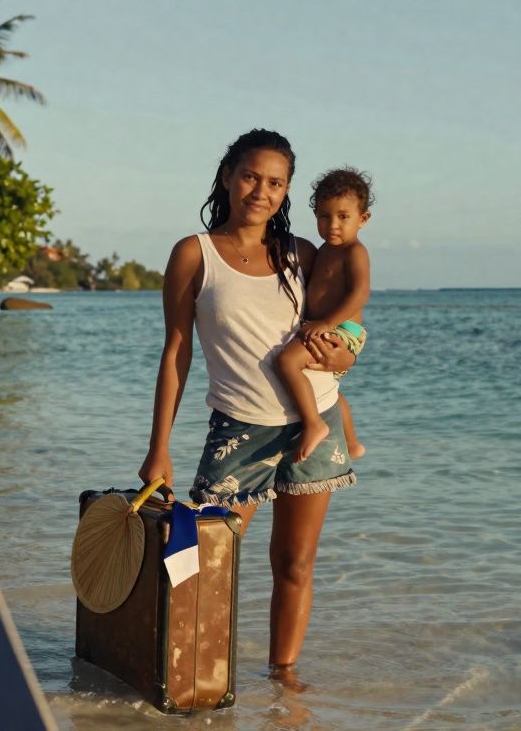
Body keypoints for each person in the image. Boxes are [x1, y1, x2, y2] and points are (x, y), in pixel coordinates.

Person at [138, 129, 358, 684]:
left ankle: (284, 686)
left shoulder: (301, 254)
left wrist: (342, 360)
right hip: (239, 429)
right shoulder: (195, 254)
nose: (262, 190)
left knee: (295, 564)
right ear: (228, 176)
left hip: (316, 421)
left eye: (276, 182)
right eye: (251, 176)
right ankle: (193, 680)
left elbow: (339, 330)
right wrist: (158, 446)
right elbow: (176, 351)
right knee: (204, 562)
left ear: (286, 192)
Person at [275, 167, 373, 463]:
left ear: (362, 219)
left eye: (343, 217)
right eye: (324, 216)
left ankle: (314, 424)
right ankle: (353, 443)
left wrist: (326, 323)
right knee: (330, 389)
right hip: (327, 326)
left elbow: (359, 294)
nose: (332, 224)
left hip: (342, 329)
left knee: (287, 361)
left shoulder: (354, 252)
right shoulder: (323, 250)